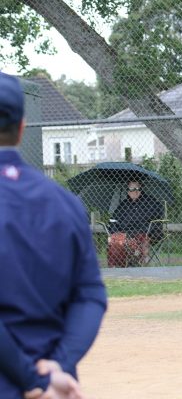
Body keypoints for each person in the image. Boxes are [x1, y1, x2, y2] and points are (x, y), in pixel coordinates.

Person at [0, 71, 107, 398]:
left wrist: (32, 379)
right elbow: (90, 295)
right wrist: (57, 367)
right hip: (58, 385)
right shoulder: (65, 203)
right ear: (21, 128)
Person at [107, 179, 164, 267]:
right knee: (115, 241)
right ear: (128, 191)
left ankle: (139, 260)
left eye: (138, 188)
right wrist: (116, 234)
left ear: (141, 189)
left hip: (145, 232)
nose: (135, 191)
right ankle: (119, 266)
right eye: (132, 189)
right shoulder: (123, 205)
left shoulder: (151, 202)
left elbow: (157, 220)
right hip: (125, 235)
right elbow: (113, 221)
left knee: (140, 238)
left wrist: (144, 231)